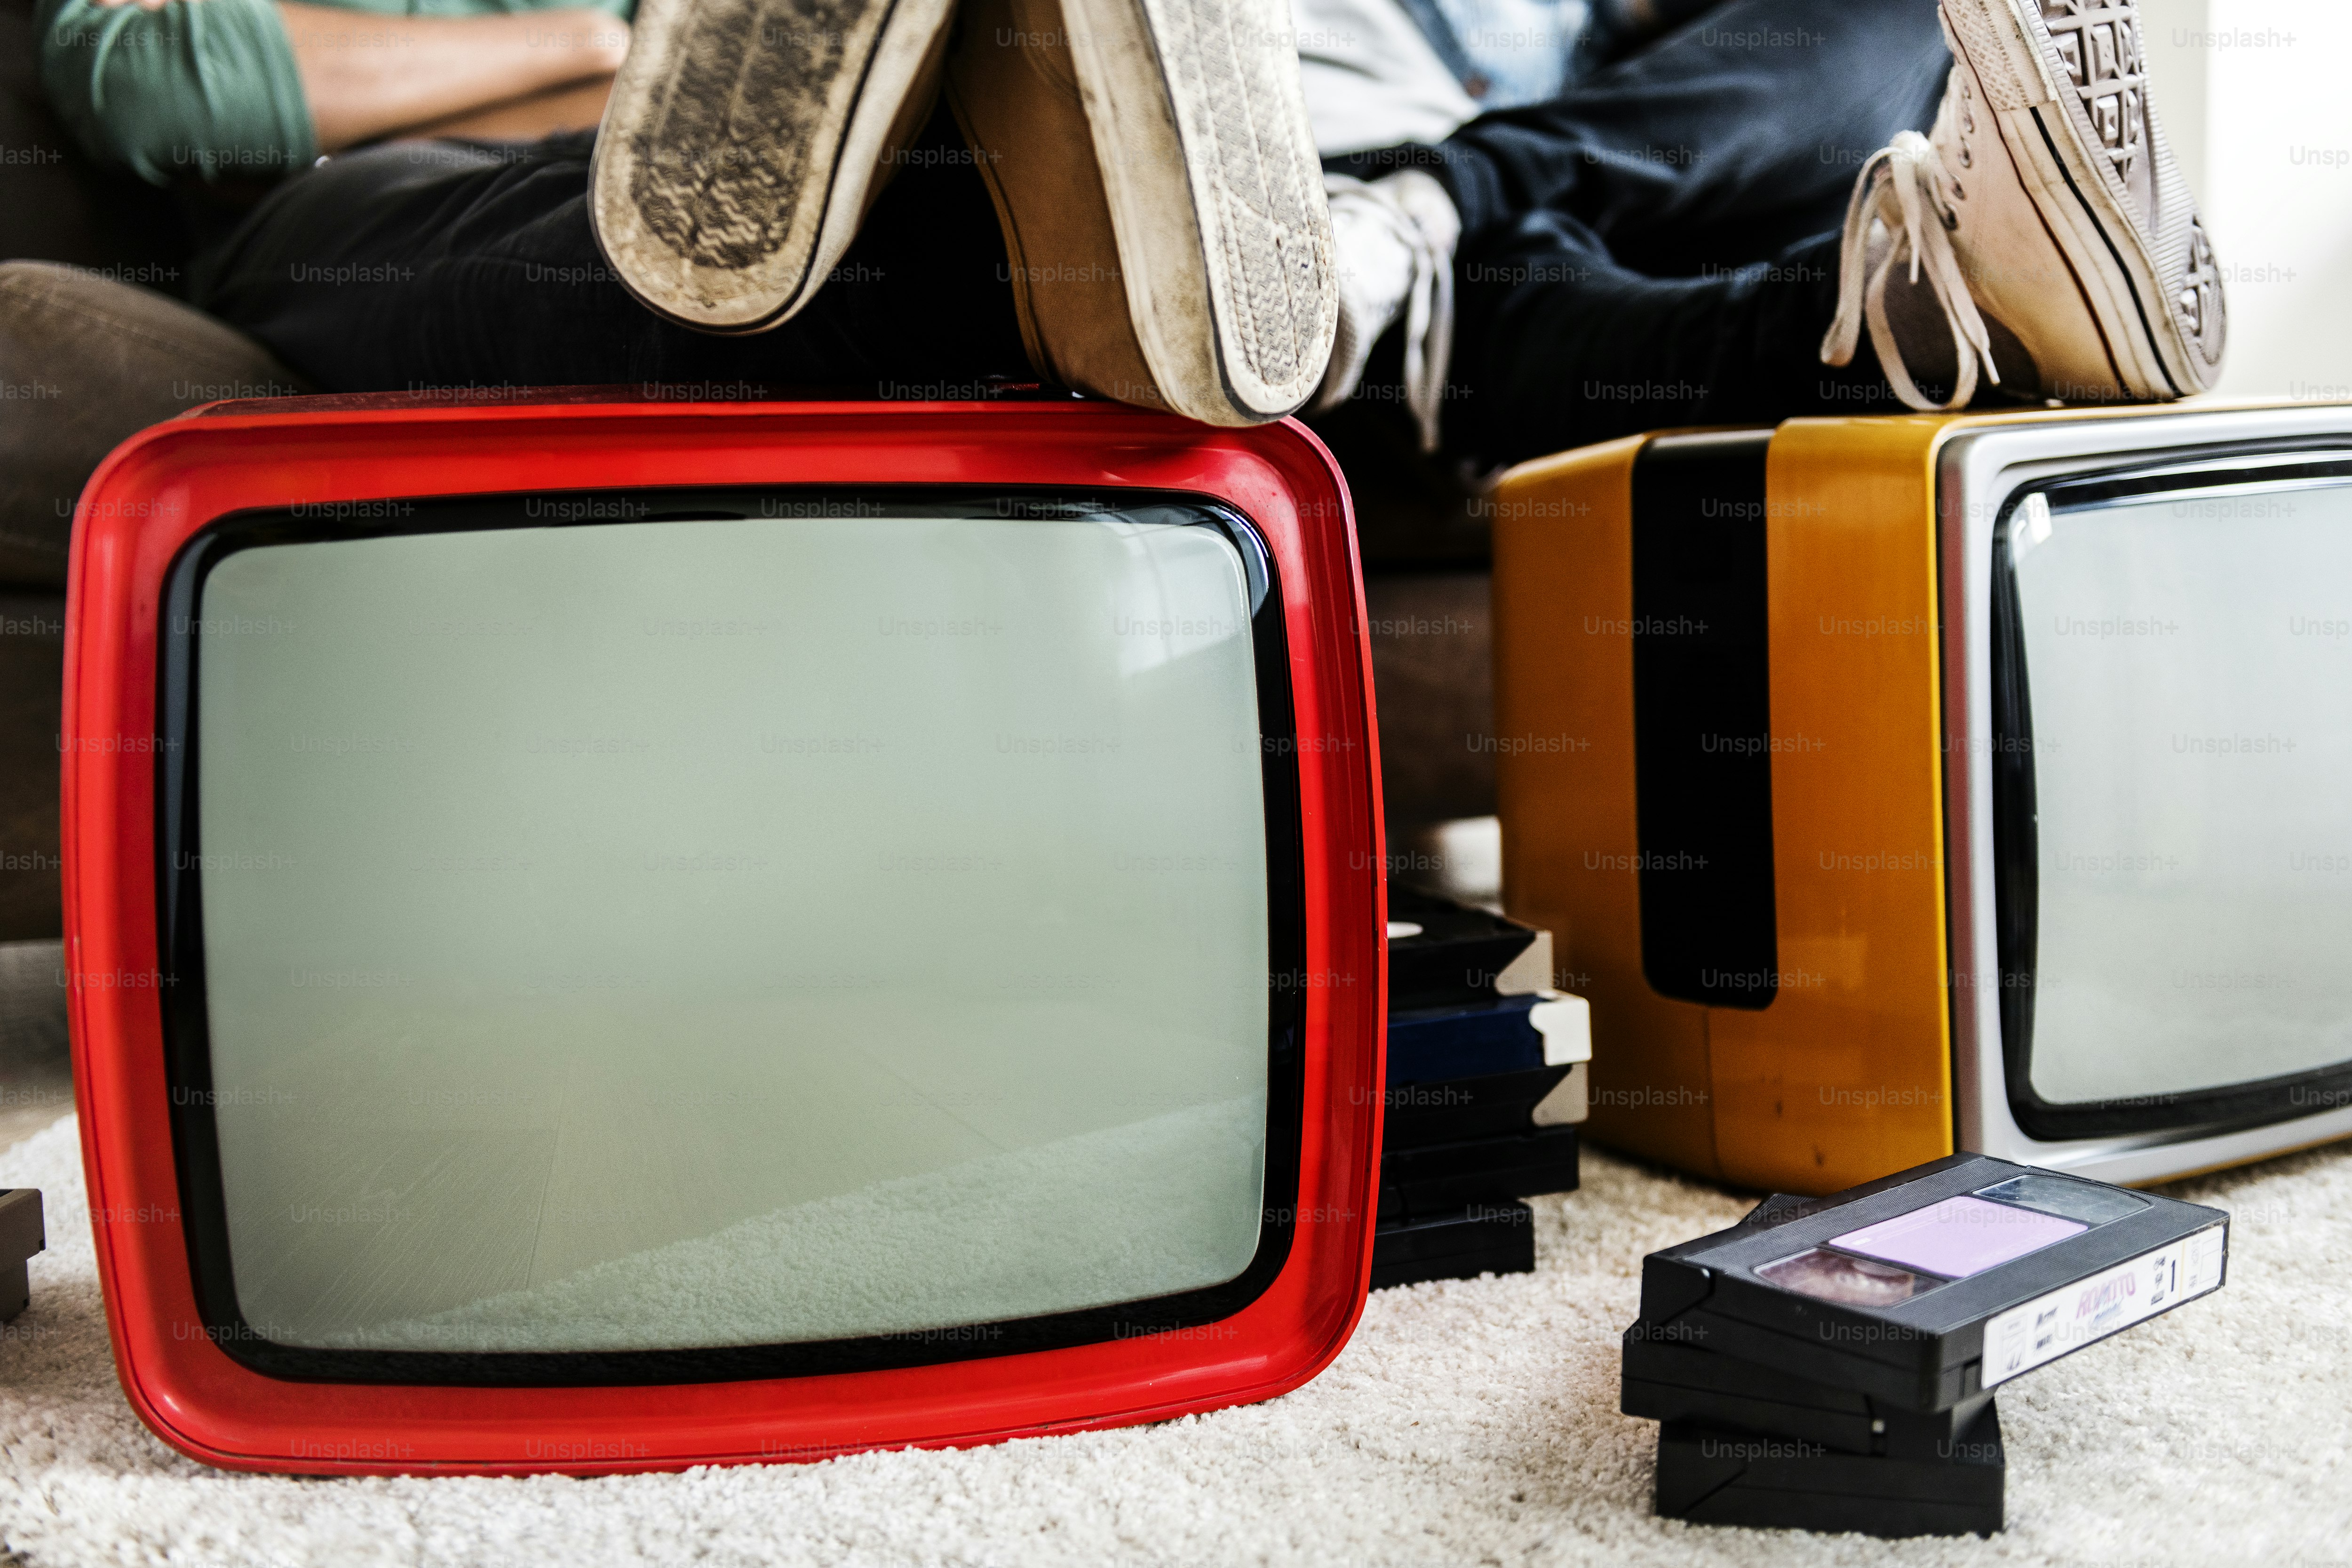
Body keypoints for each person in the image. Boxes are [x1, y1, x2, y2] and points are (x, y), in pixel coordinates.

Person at [175, 0, 2220, 478]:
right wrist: (619, 38)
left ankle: (1948, 310)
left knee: (1334, 286)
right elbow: (157, 70)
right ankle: (1887, 328)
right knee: (332, 231)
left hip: (1313, 174)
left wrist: (1416, 191)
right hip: (498, 163)